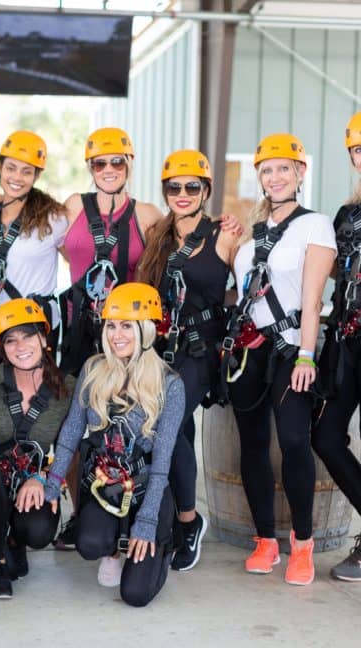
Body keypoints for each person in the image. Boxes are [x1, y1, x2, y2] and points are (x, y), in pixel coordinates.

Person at [224, 133, 336, 585]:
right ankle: (265, 539)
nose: (274, 177)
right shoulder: (252, 233)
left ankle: (302, 545)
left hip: (292, 348)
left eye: (283, 169)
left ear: (300, 173)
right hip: (250, 352)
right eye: (266, 170)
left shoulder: (316, 225)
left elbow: (311, 302)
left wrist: (307, 356)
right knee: (251, 444)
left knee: (292, 440)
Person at [43, 283, 184, 607]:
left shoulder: (170, 384)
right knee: (89, 544)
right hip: (105, 484)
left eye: (126, 326)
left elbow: (163, 462)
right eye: (111, 326)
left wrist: (147, 521)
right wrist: (52, 483)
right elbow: (71, 433)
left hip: (149, 487)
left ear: (146, 331)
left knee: (135, 595)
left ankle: (163, 546)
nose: (116, 335)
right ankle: (112, 548)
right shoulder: (94, 369)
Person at [135, 150, 238, 571]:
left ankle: (189, 521)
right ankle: (175, 516)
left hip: (202, 351)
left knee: (170, 425)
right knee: (173, 429)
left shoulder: (225, 235)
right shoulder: (156, 234)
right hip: (162, 351)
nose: (182, 193)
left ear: (206, 190)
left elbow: (249, 284)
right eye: (174, 187)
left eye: (192, 186)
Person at [0, 298, 75, 599]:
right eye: (11, 340)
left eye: (28, 336)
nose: (20, 346)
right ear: (2, 347)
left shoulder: (67, 388)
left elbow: (70, 447)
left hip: (30, 482)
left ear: (44, 338)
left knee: (39, 533)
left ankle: (14, 542)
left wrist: (45, 477)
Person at [59, 126, 163, 376]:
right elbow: (43, 232)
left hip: (126, 330)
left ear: (129, 165)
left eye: (117, 162)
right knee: (78, 403)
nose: (108, 170)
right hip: (79, 326)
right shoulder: (74, 206)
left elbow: (184, 236)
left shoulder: (146, 214)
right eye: (99, 164)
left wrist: (222, 223)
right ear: (90, 168)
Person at [312, 111, 361, 581]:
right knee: (325, 437)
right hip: (346, 341)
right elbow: (327, 270)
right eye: (360, 150)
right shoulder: (345, 216)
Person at [0, 129, 68, 338]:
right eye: (11, 168)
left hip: (36, 327)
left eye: (27, 171)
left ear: (37, 176)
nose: (17, 177)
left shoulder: (53, 219)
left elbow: (77, 260)